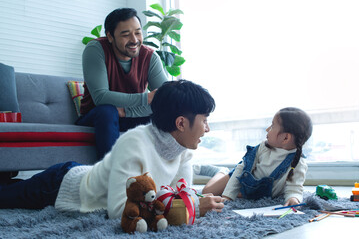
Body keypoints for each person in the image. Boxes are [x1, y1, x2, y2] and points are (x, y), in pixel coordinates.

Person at [0, 80, 225, 220]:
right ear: (181, 124)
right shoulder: (135, 143)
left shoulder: (183, 151)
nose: (207, 129)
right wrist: (193, 205)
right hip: (61, 186)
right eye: (204, 120)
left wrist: (190, 203)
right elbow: (118, 210)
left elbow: (175, 196)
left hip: (81, 178)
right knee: (5, 197)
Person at [76, 8, 168, 159]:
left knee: (165, 115)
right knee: (107, 110)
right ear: (110, 36)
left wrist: (127, 112)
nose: (134, 40)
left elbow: (166, 100)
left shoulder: (150, 56)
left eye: (138, 32)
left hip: (130, 117)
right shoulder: (96, 49)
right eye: (126, 35)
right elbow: (101, 97)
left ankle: (162, 173)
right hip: (97, 118)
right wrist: (146, 98)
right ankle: (109, 173)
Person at [202, 107, 313, 206]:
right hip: (240, 177)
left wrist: (293, 198)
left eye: (272, 126)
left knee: (242, 195)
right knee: (207, 192)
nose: (267, 129)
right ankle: (221, 171)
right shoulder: (262, 148)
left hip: (254, 192)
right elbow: (241, 169)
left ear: (285, 138)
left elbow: (295, 187)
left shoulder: (298, 163)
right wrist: (228, 196)